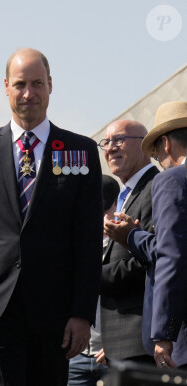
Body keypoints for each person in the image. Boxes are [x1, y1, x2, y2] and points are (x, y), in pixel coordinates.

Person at [0, 48, 103, 386]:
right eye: (20, 84)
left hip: (55, 315)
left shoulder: (80, 151)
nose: (29, 93)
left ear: (51, 85)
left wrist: (82, 313)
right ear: (6, 87)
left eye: (37, 83)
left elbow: (87, 240)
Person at [105, 101, 187, 370]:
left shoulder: (171, 180)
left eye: (155, 154)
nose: (158, 162)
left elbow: (171, 255)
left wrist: (164, 333)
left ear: (165, 144)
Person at [98, 120, 158, 365]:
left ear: (145, 146)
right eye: (106, 142)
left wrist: (89, 276)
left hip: (141, 341)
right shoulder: (126, 195)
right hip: (120, 346)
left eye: (119, 140)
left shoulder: (156, 188)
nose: (110, 148)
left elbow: (155, 259)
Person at [67, 174, 119, 385]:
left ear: (118, 203)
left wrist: (117, 345)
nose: (99, 217)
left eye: (104, 210)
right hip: (75, 357)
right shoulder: (70, 248)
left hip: (112, 356)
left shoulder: (125, 247)